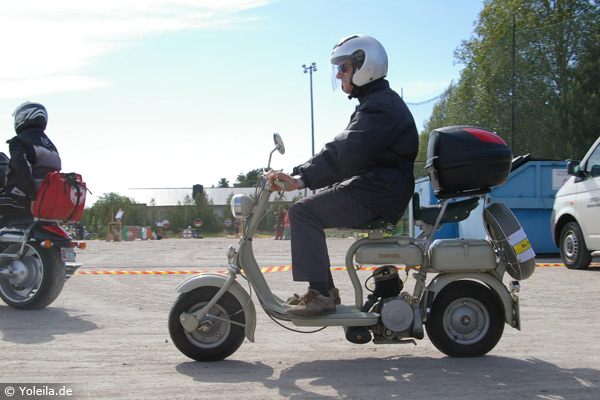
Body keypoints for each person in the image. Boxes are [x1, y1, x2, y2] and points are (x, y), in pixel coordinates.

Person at [267, 34, 418, 317]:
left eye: (343, 67)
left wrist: (301, 179)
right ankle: (325, 291)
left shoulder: (380, 107)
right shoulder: (375, 103)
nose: (338, 74)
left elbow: (347, 152)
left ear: (364, 65)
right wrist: (300, 174)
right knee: (307, 208)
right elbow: (344, 151)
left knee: (303, 212)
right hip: (376, 188)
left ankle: (321, 294)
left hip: (378, 192)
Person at [0, 102, 61, 218]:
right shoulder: (50, 146)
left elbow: (21, 168)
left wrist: (32, 196)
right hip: (46, 198)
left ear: (22, 117)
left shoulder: (19, 141)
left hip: (23, 198)